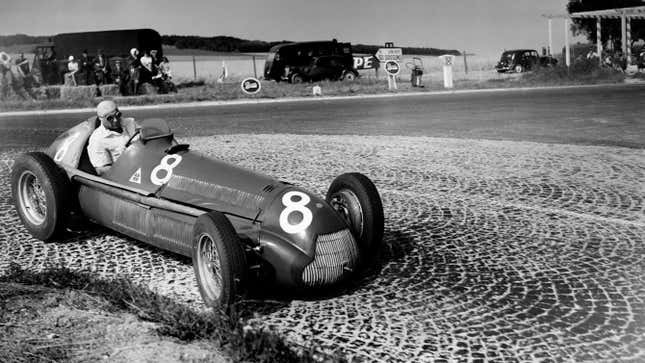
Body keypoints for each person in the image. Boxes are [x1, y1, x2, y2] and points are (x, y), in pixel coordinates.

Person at [87, 100, 138, 175]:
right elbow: (101, 169)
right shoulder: (97, 139)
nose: (115, 120)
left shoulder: (130, 122)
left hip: (144, 161)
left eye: (118, 115)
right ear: (100, 118)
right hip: (126, 175)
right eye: (110, 118)